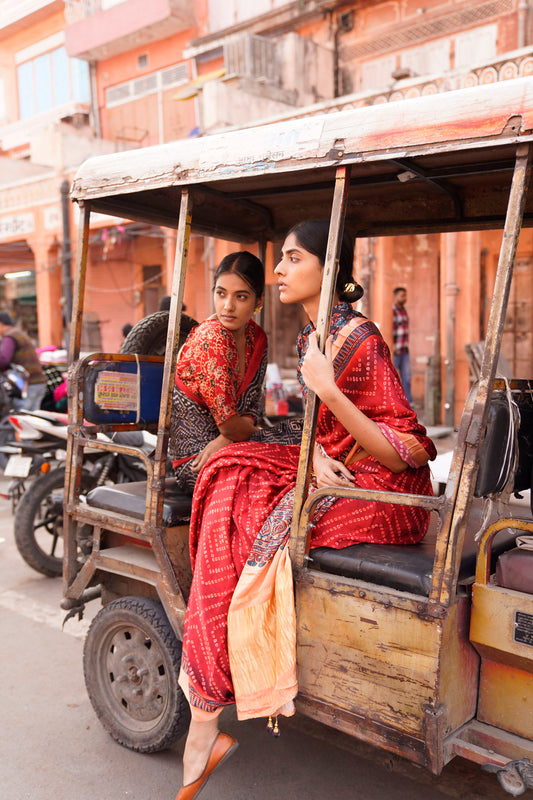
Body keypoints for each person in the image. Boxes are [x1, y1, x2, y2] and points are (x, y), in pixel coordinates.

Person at [173, 221, 436, 800]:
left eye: (293, 258)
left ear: (328, 266)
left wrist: (330, 390)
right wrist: (315, 451)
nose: (279, 270)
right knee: (230, 479)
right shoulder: (311, 336)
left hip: (385, 496)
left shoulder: (361, 339)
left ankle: (206, 718)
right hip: (336, 472)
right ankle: (206, 712)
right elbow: (320, 426)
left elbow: (410, 451)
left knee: (241, 507)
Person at [168, 251, 267, 494]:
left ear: (259, 301)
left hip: (237, 446)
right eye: (221, 293)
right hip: (197, 460)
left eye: (241, 296)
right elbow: (229, 425)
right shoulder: (212, 338)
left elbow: (251, 408)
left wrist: (229, 438)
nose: (228, 306)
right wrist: (250, 435)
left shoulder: (257, 338)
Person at [0, 311, 47, 411]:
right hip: (38, 381)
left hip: (28, 384)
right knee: (33, 416)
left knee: (22, 415)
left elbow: (3, 359)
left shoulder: (10, 336)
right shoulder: (19, 333)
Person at [392, 286, 412, 405]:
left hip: (404, 349)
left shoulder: (403, 310)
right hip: (394, 350)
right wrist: (392, 345)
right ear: (395, 296)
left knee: (407, 378)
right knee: (392, 378)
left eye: (405, 296)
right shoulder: (392, 311)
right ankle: (394, 403)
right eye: (402, 295)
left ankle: (408, 403)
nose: (405, 298)